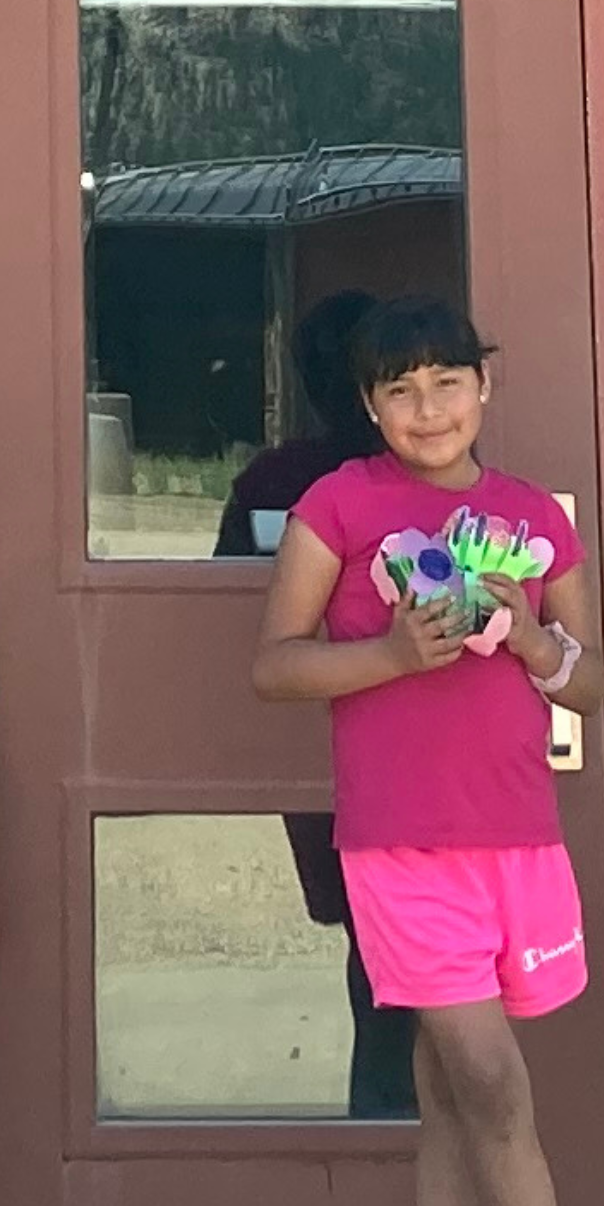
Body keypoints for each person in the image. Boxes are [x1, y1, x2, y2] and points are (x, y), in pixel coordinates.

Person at [255, 296, 604, 1206]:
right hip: (400, 843)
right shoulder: (339, 504)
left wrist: (538, 641)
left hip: (519, 837)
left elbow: (595, 683)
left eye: (447, 382)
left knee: (456, 1101)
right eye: (399, 390)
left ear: (484, 387)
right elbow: (274, 667)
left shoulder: (528, 519)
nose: (427, 408)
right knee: (493, 1082)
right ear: (370, 406)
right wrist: (391, 654)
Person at [219, 291, 415, 1118]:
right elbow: (220, 602)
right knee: (381, 943)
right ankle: (386, 1117)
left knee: (392, 945)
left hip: (407, 751)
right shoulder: (285, 481)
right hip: (324, 736)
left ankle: (387, 1113)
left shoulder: (428, 478)